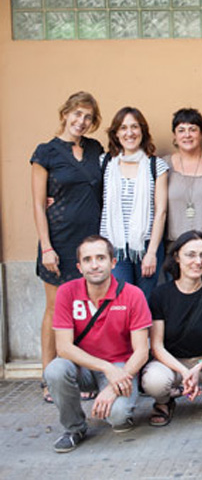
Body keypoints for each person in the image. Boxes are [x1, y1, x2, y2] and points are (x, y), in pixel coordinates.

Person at [44, 236, 151, 453]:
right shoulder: (67, 292)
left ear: (112, 263)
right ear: (79, 267)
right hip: (83, 367)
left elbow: (141, 351)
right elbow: (63, 348)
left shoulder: (132, 294)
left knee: (118, 416)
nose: (94, 265)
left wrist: (113, 386)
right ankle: (74, 428)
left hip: (121, 367)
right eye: (88, 259)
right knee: (55, 370)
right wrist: (105, 367)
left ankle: (122, 409)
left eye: (101, 258)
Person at [31, 91, 104, 403]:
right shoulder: (45, 152)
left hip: (91, 240)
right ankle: (50, 377)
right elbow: (37, 203)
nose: (81, 121)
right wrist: (46, 246)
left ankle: (79, 374)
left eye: (88, 117)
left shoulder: (95, 149)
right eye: (77, 114)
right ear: (65, 114)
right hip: (59, 240)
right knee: (55, 309)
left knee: (86, 309)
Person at [141, 231, 202, 427]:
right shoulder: (160, 295)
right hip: (172, 364)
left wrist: (196, 369)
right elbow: (157, 346)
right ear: (177, 257)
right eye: (191, 254)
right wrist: (185, 372)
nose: (198, 261)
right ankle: (164, 401)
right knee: (154, 380)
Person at [99, 106, 168, 299]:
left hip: (146, 245)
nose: (129, 133)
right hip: (113, 246)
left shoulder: (156, 165)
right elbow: (82, 191)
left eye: (134, 127)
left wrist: (152, 252)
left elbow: (161, 211)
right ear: (116, 133)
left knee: (145, 302)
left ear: (142, 131)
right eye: (123, 128)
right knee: (121, 300)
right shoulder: (104, 163)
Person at [164, 108, 202, 279]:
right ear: (174, 136)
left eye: (193, 129)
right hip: (174, 249)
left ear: (201, 134)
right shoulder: (164, 165)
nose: (187, 135)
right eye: (181, 130)